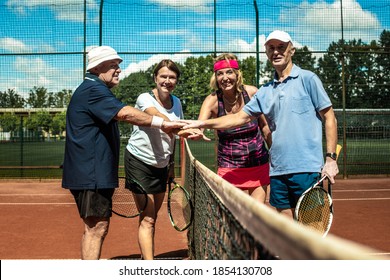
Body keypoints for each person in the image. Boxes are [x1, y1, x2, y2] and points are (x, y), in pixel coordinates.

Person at [181, 30, 339, 219]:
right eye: (271, 48)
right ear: (266, 52)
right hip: (277, 170)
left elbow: (330, 117)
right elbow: (239, 118)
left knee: (310, 230)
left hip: (306, 168)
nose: (276, 52)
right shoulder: (266, 91)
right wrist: (201, 123)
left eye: (281, 47)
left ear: (292, 50)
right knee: (285, 231)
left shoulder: (308, 79)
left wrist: (331, 159)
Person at [61, 46, 184, 260]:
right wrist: (163, 124)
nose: (119, 70)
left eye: (118, 66)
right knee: (97, 227)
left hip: (93, 172)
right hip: (91, 172)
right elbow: (125, 113)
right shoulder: (94, 90)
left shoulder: (94, 89)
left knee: (94, 226)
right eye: (113, 66)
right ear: (98, 67)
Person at [124, 59, 204, 260]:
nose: (167, 81)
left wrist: (171, 165)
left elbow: (173, 137)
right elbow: (159, 118)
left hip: (162, 165)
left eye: (172, 77)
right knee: (148, 218)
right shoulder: (145, 98)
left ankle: (146, 257)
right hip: (138, 161)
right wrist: (188, 130)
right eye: (163, 76)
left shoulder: (177, 102)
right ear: (155, 78)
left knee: (151, 217)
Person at [192, 53, 271, 203]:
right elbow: (199, 126)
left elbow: (265, 126)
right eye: (220, 74)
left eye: (229, 72)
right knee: (232, 218)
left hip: (258, 163)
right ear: (215, 77)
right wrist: (188, 131)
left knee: (255, 216)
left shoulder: (252, 93)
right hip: (229, 168)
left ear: (237, 74)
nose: (225, 77)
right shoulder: (212, 101)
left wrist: (274, 151)